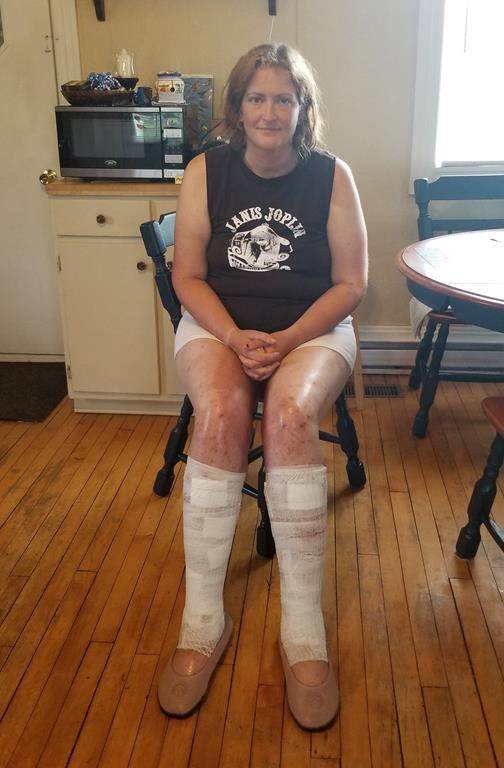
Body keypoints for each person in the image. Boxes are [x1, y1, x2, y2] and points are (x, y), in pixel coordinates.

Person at [157, 42, 368, 730]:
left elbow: (351, 284)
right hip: (218, 326)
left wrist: (282, 341)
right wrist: (236, 337)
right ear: (237, 109)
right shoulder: (205, 171)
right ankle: (202, 620)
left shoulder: (333, 176)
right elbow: (187, 276)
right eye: (257, 97)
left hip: (312, 330)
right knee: (218, 414)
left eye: (285, 97)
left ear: (303, 109)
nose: (270, 111)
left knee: (288, 418)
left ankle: (303, 630)